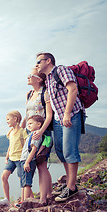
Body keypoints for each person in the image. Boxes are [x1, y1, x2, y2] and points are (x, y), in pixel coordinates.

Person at [36, 52, 85, 202]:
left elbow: (73, 89)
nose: (36, 64)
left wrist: (67, 113)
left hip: (71, 115)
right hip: (58, 119)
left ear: (48, 61)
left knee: (70, 150)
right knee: (60, 150)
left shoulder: (61, 70)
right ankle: (70, 183)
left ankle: (71, 187)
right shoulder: (49, 79)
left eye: (39, 61)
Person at [21, 68, 53, 205]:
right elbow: (27, 112)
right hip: (30, 131)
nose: (28, 77)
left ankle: (43, 199)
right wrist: (22, 127)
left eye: (31, 75)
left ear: (39, 79)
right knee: (36, 162)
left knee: (41, 164)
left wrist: (41, 131)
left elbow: (50, 115)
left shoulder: (45, 93)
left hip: (42, 131)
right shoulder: (29, 94)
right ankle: (48, 193)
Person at [0, 111, 28, 205]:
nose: (7, 121)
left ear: (15, 119)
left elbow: (26, 145)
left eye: (8, 119)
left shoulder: (22, 131)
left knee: (22, 179)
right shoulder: (10, 132)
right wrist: (6, 157)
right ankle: (7, 199)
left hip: (20, 159)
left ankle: (23, 200)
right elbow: (10, 146)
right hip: (11, 159)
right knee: (4, 176)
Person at [18, 115, 44, 204]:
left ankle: (25, 203)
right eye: (28, 124)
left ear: (39, 124)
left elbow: (34, 149)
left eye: (30, 123)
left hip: (27, 160)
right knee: (24, 181)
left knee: (26, 183)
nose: (28, 125)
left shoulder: (36, 134)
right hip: (24, 160)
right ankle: (27, 201)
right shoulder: (31, 134)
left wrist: (27, 162)